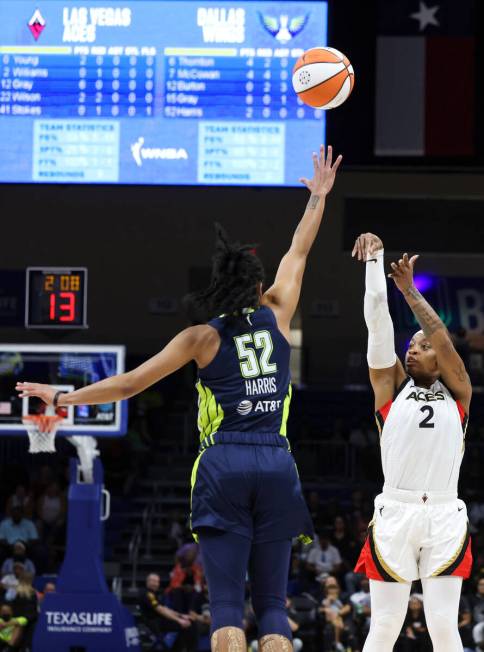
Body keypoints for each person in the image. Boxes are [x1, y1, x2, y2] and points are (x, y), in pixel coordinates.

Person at [15, 145, 343, 652]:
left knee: (228, 605)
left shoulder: (200, 337)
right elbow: (298, 250)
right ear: (259, 287)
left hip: (223, 461)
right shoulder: (279, 313)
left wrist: (63, 396)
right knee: (274, 605)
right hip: (277, 460)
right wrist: (318, 197)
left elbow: (127, 385)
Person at [352, 233, 473, 652]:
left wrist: (409, 291)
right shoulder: (389, 388)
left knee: (444, 628)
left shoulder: (459, 391)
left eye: (422, 347)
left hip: (443, 511)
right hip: (396, 509)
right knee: (384, 626)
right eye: (411, 346)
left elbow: (439, 334)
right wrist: (375, 262)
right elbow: (377, 321)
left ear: (441, 358)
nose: (413, 350)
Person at [139, 573, 197, 652]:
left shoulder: (155, 593)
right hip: (153, 623)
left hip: (160, 620)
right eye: (153, 581)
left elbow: (165, 609)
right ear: (147, 582)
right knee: (186, 625)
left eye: (157, 582)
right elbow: (160, 610)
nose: (156, 584)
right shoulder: (147, 594)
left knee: (189, 622)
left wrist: (181, 615)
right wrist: (179, 620)